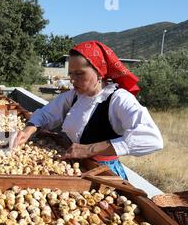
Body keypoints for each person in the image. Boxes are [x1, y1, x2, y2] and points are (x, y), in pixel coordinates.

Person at [14, 41, 164, 179]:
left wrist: (90, 149)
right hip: (73, 168)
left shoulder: (118, 99)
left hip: (103, 173)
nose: (72, 80)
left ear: (99, 73)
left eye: (79, 73)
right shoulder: (73, 96)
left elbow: (152, 139)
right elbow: (46, 114)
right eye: (71, 74)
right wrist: (28, 130)